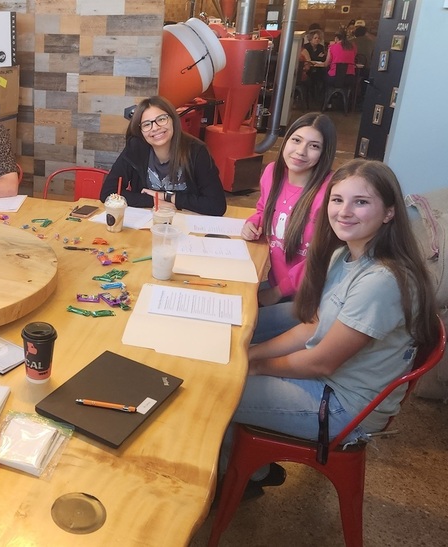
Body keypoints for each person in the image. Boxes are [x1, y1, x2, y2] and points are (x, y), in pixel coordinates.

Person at [223, 159, 440, 497]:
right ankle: (251, 469)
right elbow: (312, 326)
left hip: (343, 406)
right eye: (337, 200)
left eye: (361, 202)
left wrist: (253, 366)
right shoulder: (346, 255)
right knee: (230, 368)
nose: (344, 211)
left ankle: (230, 480)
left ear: (389, 212)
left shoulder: (382, 281)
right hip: (328, 383)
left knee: (216, 391)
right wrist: (246, 355)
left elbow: (321, 362)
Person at [242, 113, 337, 343]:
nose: (301, 151)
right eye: (296, 140)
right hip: (277, 285)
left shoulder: (330, 192)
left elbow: (322, 257)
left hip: (309, 299)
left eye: (313, 146)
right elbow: (263, 209)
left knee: (238, 329)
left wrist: (275, 293)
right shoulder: (272, 172)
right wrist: (253, 223)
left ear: (325, 153)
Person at [99, 95, 226, 216]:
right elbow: (108, 193)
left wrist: (168, 197)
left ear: (173, 119)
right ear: (141, 131)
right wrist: (155, 201)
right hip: (147, 221)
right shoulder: (136, 149)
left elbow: (216, 205)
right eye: (147, 124)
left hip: (186, 222)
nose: (155, 128)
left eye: (161, 119)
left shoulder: (196, 151)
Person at [300, 29, 326, 101]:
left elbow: (323, 58)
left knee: (322, 75)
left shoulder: (321, 47)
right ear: (310, 39)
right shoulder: (306, 47)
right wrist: (318, 57)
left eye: (318, 38)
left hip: (318, 68)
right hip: (307, 69)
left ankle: (318, 96)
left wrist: (318, 58)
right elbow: (309, 59)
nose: (317, 40)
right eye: (315, 38)